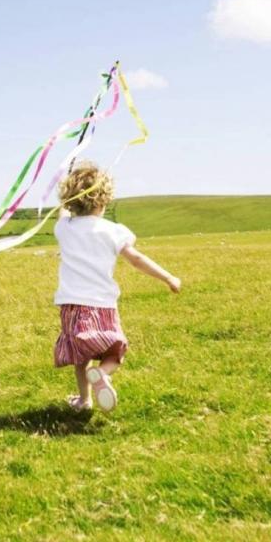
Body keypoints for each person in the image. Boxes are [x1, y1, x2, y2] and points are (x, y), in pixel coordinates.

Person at [54, 161, 181, 412]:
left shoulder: (64, 228)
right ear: (105, 199)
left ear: (70, 199)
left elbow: (62, 213)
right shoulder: (113, 231)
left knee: (81, 356)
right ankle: (102, 373)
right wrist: (168, 277)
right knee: (114, 351)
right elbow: (137, 259)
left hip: (72, 305)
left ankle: (85, 400)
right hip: (103, 305)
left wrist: (66, 194)